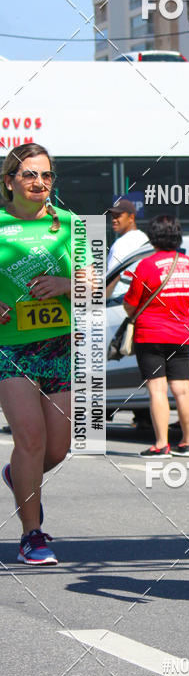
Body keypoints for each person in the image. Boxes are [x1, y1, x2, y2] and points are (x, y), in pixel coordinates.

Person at [0, 143, 89, 565]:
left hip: (60, 345)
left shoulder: (72, 225)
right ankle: (31, 535)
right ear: (9, 182)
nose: (39, 183)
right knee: (30, 439)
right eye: (30, 175)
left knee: (58, 449)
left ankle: (19, 476)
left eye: (47, 175)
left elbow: (96, 285)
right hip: (10, 348)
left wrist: (65, 286)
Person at [123, 215, 189, 458]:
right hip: (180, 334)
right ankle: (187, 443)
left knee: (157, 390)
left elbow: (130, 304)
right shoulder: (188, 263)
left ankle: (161, 444)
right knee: (183, 388)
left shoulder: (145, 266)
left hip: (150, 335)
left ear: (153, 237)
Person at [106, 199, 149, 300]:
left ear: (131, 218)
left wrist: (99, 301)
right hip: (137, 300)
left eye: (118, 216)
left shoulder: (121, 244)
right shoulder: (144, 238)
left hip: (118, 301)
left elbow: (112, 279)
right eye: (112, 216)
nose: (113, 219)